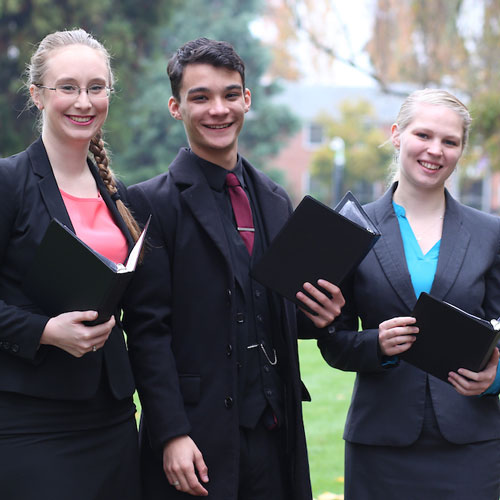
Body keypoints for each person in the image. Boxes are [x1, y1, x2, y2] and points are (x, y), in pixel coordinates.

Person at [122, 37, 345, 500]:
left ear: (247, 99)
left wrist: (319, 313)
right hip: (194, 440)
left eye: (229, 94)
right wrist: (170, 434)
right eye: (199, 97)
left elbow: (274, 310)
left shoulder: (276, 200)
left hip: (275, 435)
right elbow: (148, 331)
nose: (217, 109)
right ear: (175, 107)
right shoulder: (149, 203)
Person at [318, 88, 500, 499]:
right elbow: (333, 341)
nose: (435, 150)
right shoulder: (351, 227)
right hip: (380, 445)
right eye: (424, 135)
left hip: (472, 445)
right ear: (397, 134)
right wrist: (376, 344)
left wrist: (495, 377)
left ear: (460, 151)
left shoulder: (490, 234)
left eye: (449, 141)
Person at [0, 29, 141, 499]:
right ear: (38, 95)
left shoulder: (117, 194)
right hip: (31, 419)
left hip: (113, 415)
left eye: (96, 88)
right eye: (68, 87)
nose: (84, 101)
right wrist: (45, 331)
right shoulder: (8, 183)